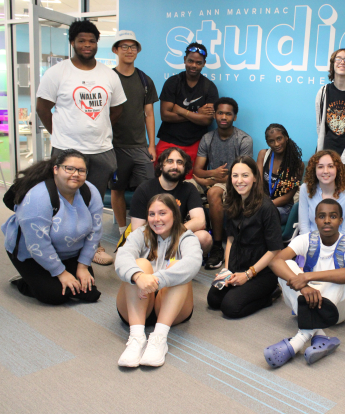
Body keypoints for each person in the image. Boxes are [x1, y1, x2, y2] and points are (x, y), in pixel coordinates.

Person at [36, 20, 126, 266]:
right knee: (63, 198)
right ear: (72, 43)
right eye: (82, 41)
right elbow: (42, 108)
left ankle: (93, 247)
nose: (87, 45)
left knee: (92, 200)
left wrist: (99, 129)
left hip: (101, 150)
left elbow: (116, 109)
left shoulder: (108, 75)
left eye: (92, 41)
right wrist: (59, 134)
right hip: (66, 149)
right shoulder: (57, 72)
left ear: (98, 43)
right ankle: (59, 246)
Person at [265, 199, 345, 368]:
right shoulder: (307, 239)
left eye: (333, 216)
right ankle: (321, 336)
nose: (327, 220)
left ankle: (296, 343)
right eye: (321, 216)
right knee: (286, 266)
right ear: (315, 220)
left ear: (340, 220)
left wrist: (307, 277)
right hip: (308, 296)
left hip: (337, 307)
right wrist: (304, 286)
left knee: (340, 278)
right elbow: (275, 262)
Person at [2, 149, 103, 305]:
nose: (75, 174)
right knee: (54, 295)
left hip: (69, 249)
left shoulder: (90, 192)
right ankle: (24, 281)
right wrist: (61, 273)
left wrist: (83, 266)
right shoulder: (38, 197)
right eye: (69, 168)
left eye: (81, 170)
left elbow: (95, 231)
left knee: (89, 292)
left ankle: (52, 276)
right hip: (31, 252)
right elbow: (37, 244)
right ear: (56, 169)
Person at [114, 193, 202, 368]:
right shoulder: (140, 233)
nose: (156, 219)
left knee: (179, 269)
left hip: (169, 307)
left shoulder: (186, 237)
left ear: (175, 215)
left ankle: (159, 338)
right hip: (137, 305)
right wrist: (138, 277)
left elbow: (193, 262)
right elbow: (122, 258)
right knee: (139, 264)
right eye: (152, 214)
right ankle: (136, 338)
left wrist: (156, 280)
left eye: (162, 213)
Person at [206, 156, 283, 318]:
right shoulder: (234, 201)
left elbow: (274, 249)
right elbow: (231, 239)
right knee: (213, 300)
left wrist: (248, 275)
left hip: (261, 272)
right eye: (235, 176)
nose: (239, 181)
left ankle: (271, 294)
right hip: (237, 265)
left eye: (245, 175)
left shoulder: (267, 208)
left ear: (255, 178)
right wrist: (227, 269)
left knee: (230, 307)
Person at [192, 97, 253, 269]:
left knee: (213, 193)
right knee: (184, 186)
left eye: (228, 113)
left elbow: (244, 174)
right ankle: (183, 239)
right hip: (213, 178)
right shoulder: (207, 138)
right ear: (215, 115)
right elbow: (197, 170)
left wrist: (212, 179)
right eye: (220, 113)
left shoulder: (243, 140)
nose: (223, 117)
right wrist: (212, 175)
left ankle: (217, 247)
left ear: (234, 117)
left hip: (233, 182)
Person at [109, 30, 159, 237]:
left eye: (133, 47)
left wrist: (151, 145)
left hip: (139, 146)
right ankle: (123, 231)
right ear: (116, 50)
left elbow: (149, 114)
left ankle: (146, 231)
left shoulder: (144, 80)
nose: (129, 51)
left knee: (149, 190)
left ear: (137, 51)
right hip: (114, 147)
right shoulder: (107, 78)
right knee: (117, 189)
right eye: (124, 47)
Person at [129, 147, 211, 252]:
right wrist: (161, 237)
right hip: (152, 237)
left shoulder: (189, 188)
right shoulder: (144, 189)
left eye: (180, 162)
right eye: (170, 161)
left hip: (177, 237)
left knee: (204, 238)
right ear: (161, 166)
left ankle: (182, 265)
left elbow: (200, 221)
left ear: (184, 168)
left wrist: (173, 234)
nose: (175, 166)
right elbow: (137, 229)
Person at [157, 42, 219, 179]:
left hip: (195, 143)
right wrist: (197, 114)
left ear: (204, 64)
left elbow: (207, 120)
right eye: (190, 61)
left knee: (189, 185)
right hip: (169, 140)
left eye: (198, 62)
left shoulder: (209, 87)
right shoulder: (173, 82)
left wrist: (179, 109)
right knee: (163, 181)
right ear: (185, 60)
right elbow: (165, 115)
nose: (193, 65)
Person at [315, 48, 345, 194]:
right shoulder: (323, 92)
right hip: (327, 153)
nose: (342, 62)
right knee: (325, 198)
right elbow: (319, 125)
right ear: (333, 65)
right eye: (338, 59)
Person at [298, 150, 345, 237]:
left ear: (337, 169)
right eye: (320, 167)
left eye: (330, 166)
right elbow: (304, 227)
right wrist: (310, 246)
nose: (325, 171)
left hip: (337, 246)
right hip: (310, 243)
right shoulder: (305, 189)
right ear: (314, 170)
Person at [256, 123, 304, 224]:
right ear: (268, 143)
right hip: (262, 202)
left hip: (283, 207)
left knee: (265, 215)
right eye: (271, 141)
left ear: (286, 137)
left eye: (279, 139)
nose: (276, 144)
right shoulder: (263, 155)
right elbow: (258, 183)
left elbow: (288, 197)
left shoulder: (297, 164)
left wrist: (264, 207)